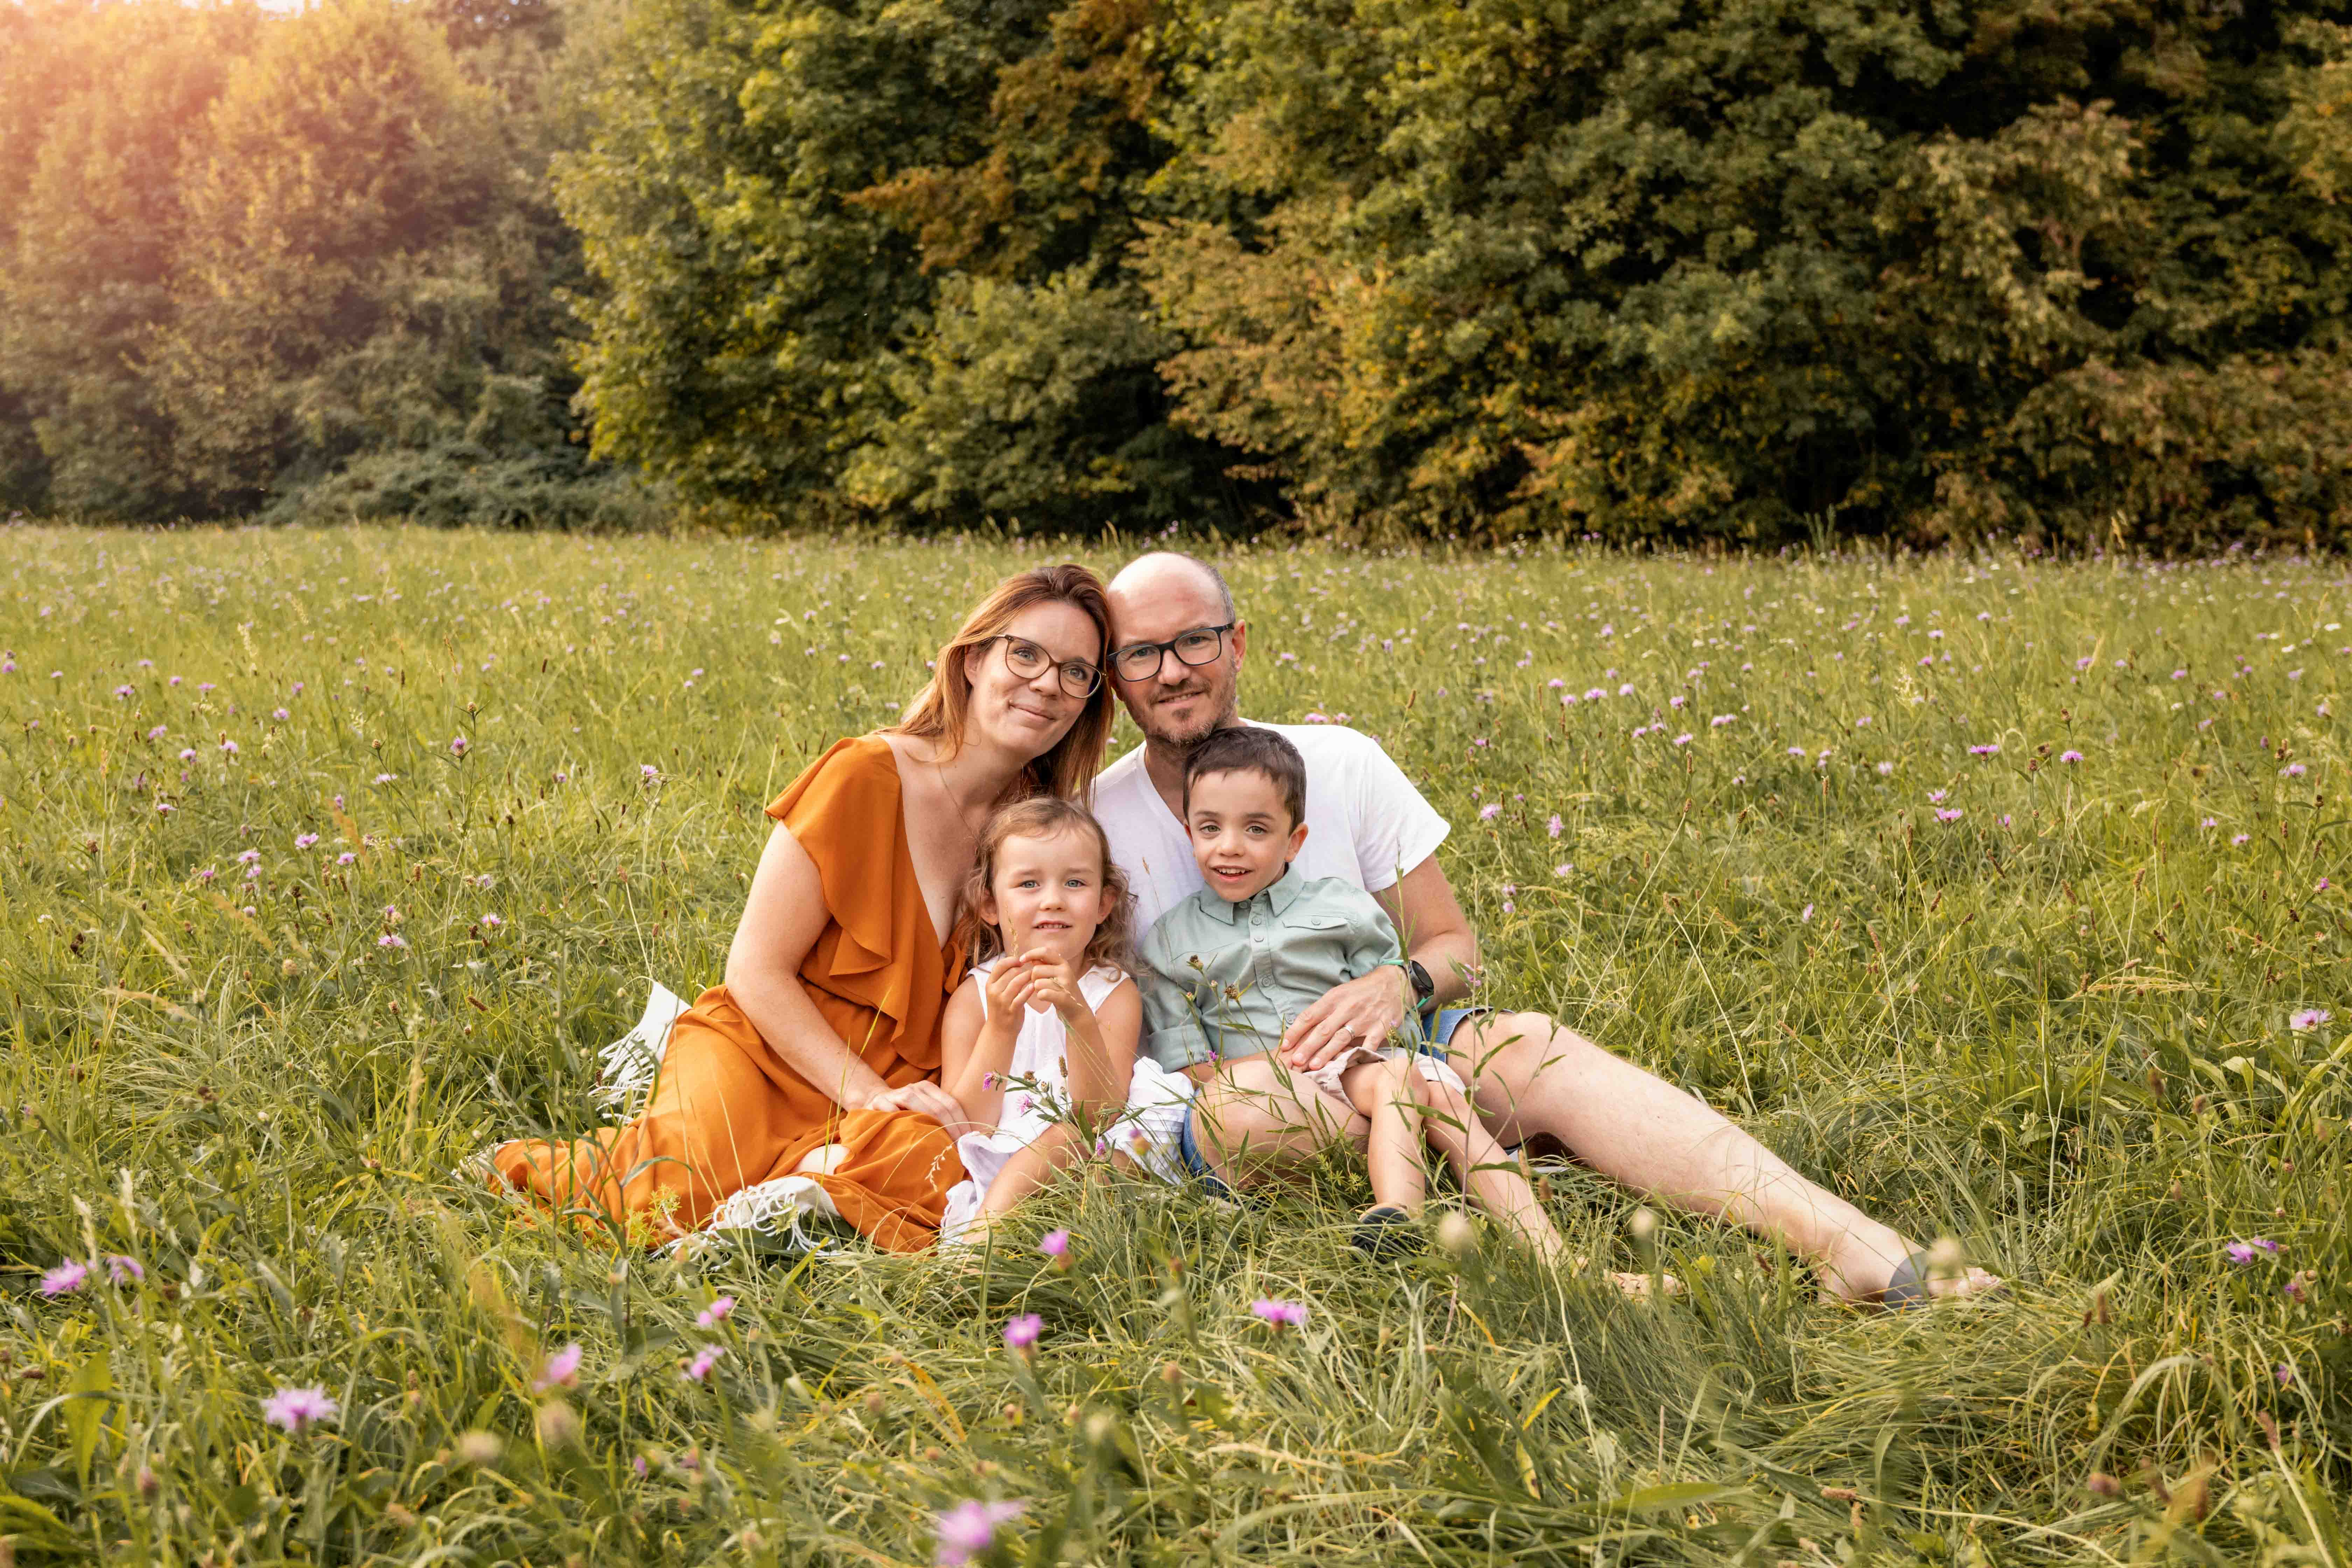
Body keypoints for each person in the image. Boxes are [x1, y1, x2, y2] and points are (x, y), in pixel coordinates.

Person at [1093, 551, 2001, 1306]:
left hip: (1398, 1046)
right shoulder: (1098, 818)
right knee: (1268, 1115)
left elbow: (1454, 950)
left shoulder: (1338, 762)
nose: (1172, 670)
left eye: (1195, 640)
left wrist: (1395, 984)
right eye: (1142, 654)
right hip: (1253, 1089)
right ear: (1117, 674)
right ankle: (1520, 1209)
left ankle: (1863, 1252)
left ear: (1237, 642)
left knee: (1533, 1045)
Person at [484, 565, 1118, 1253]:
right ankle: (525, 1163)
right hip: (769, 1051)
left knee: (944, 1178)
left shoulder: (1038, 836)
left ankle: (796, 1182)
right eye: (1024, 653)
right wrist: (870, 1098)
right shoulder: (862, 775)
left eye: (1076, 671)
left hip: (906, 1087)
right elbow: (756, 971)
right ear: (972, 659)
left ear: (1087, 698)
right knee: (671, 1191)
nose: (1047, 683)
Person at [1136, 726, 1574, 1261]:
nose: (1230, 846)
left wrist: (1379, 1046)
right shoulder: (1169, 941)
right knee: (1422, 1099)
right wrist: (1278, 1073)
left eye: (1256, 829)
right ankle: (1426, 1200)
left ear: (1295, 840)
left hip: (1368, 1069)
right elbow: (1185, 1065)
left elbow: (1394, 1011)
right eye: (1210, 828)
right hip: (1265, 1095)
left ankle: (1522, 1250)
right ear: (1189, 832)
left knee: (1422, 1089)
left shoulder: (1344, 909)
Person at [934, 797, 1189, 1246]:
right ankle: (996, 1240)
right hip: (1001, 1152)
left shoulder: (1112, 991)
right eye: (1029, 883)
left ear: (1104, 902)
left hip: (1092, 1148)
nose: (1053, 900)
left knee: (1066, 1138)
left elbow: (1098, 1113)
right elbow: (968, 1125)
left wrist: (1077, 1016)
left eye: (1075, 882)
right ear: (991, 905)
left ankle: (981, 1247)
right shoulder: (974, 998)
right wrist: (1002, 1029)